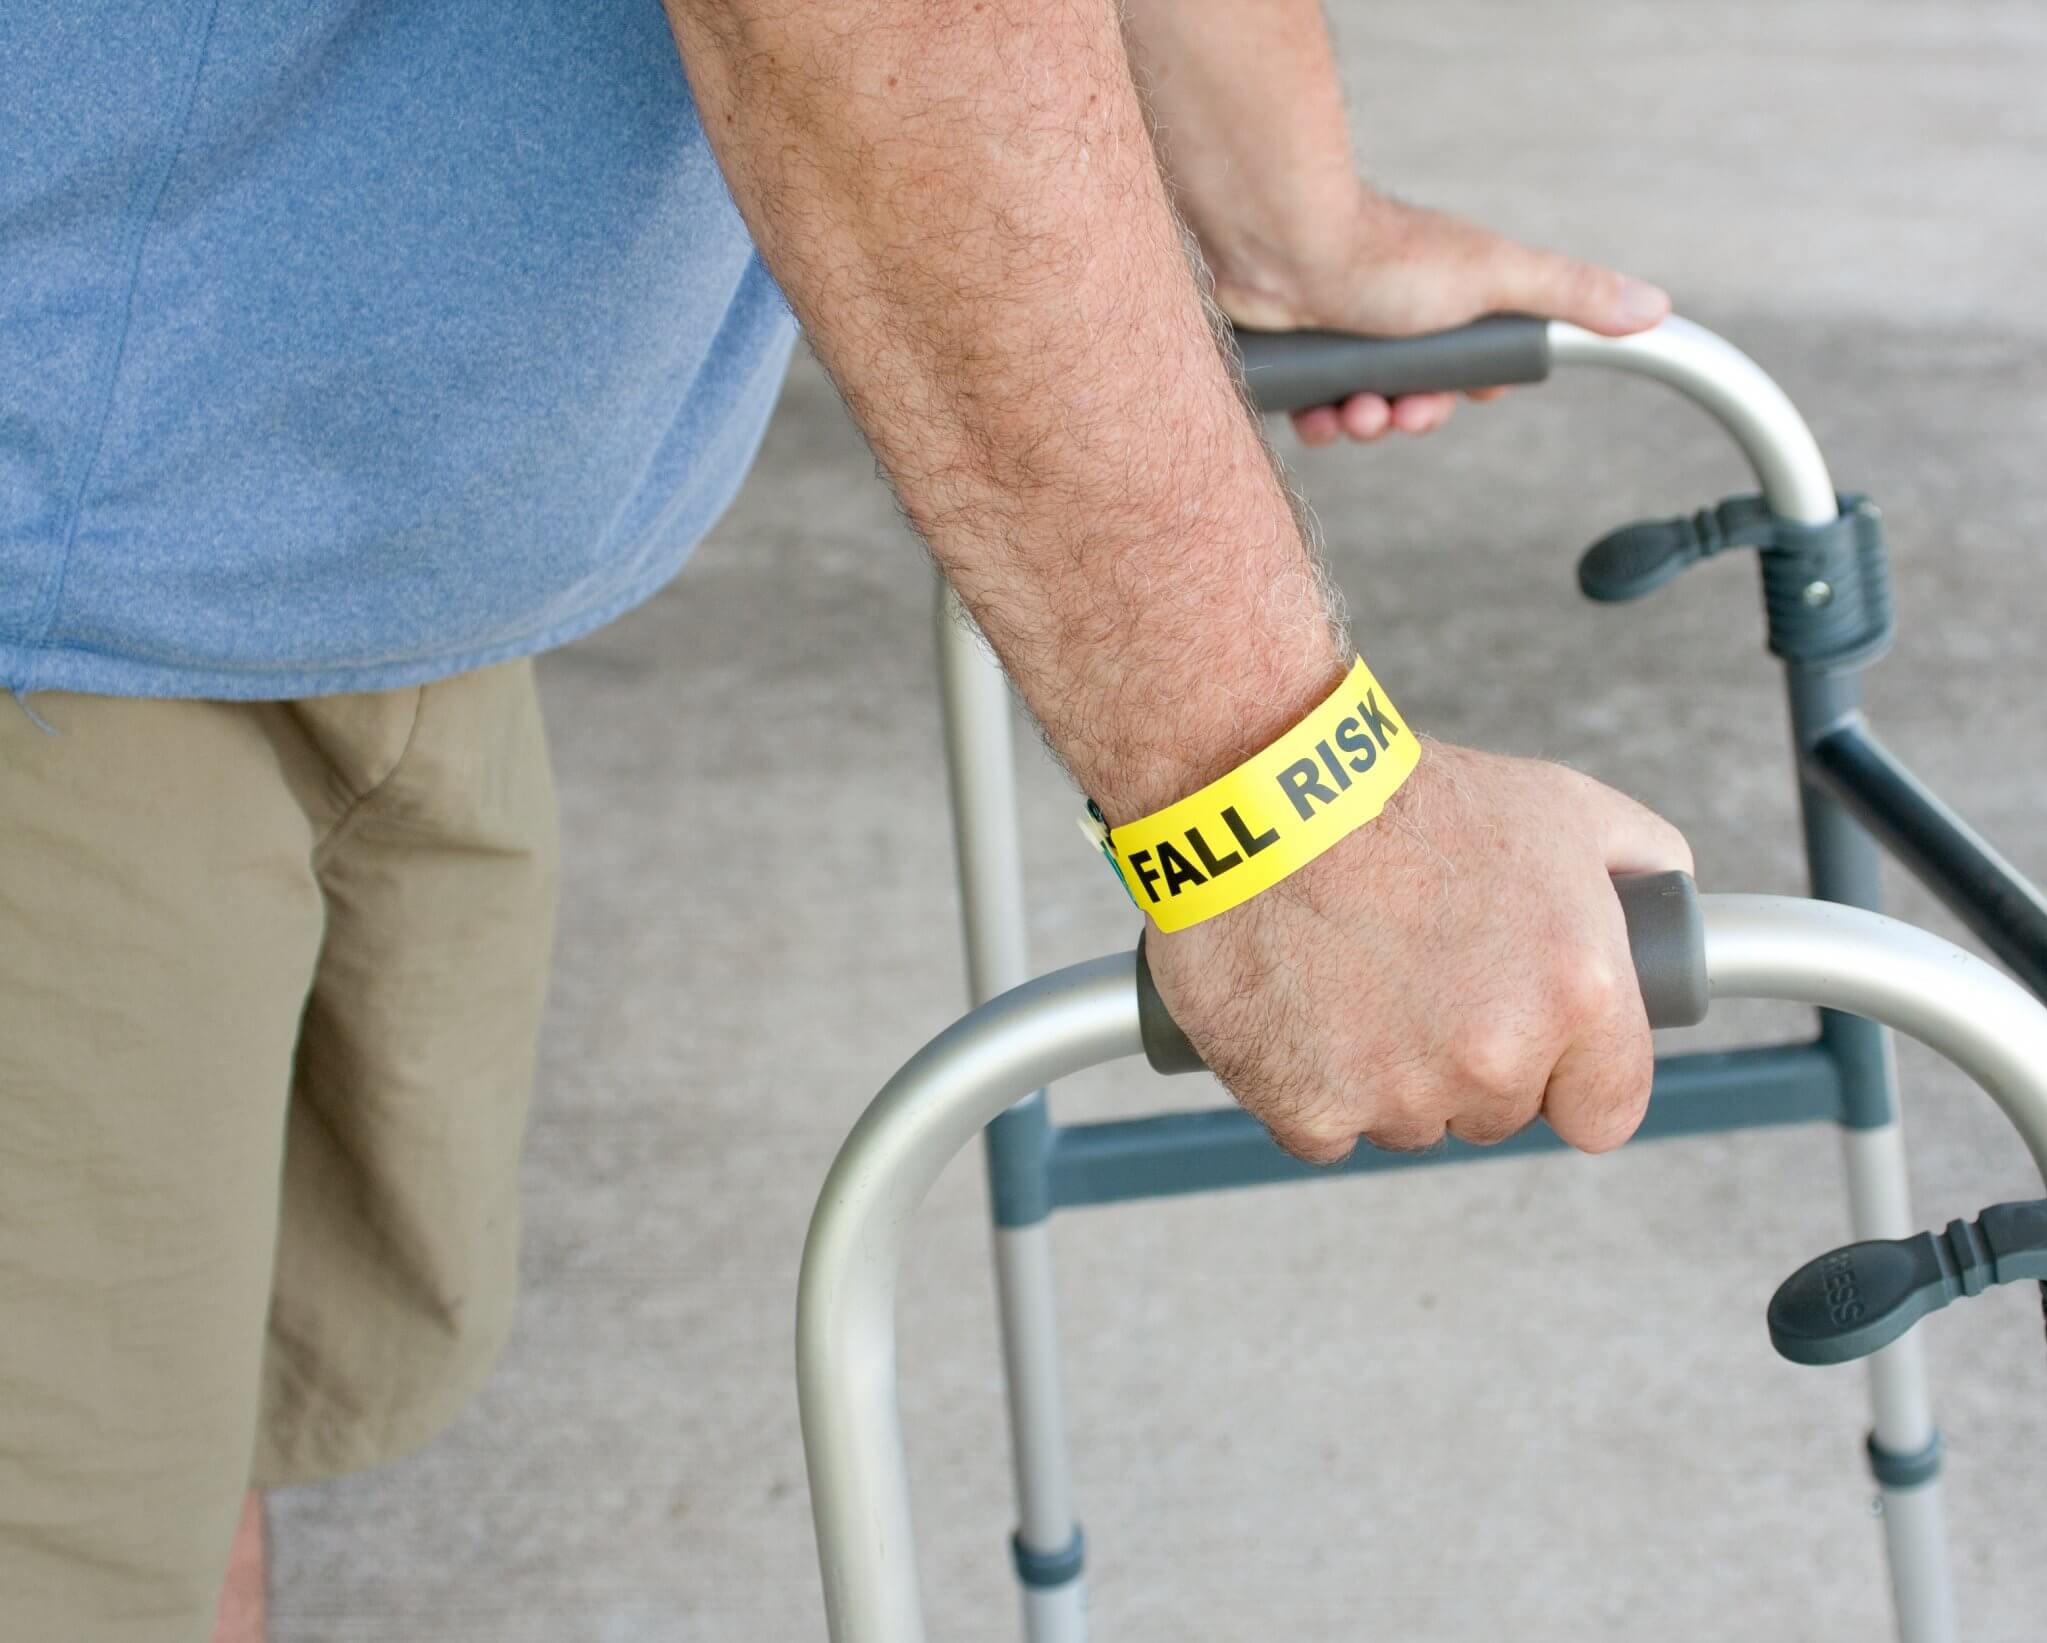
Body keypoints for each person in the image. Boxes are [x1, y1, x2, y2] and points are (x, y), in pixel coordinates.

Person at [0, 2, 1693, 1638]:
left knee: (155, 1437)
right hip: (63, 572)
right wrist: (1287, 821)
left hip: (323, 548)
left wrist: (1285, 211)